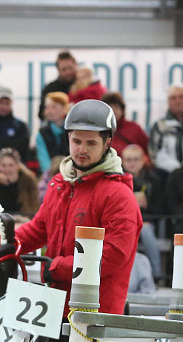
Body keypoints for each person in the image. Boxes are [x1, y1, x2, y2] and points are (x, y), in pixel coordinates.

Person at [15, 99, 141, 317]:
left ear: (107, 142)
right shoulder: (60, 184)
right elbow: (39, 229)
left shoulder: (119, 195)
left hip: (97, 316)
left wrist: (58, 267)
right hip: (56, 309)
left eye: (91, 143)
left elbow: (112, 256)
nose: (82, 149)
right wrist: (3, 242)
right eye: (76, 141)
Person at [121, 144, 164, 278]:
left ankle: (156, 274)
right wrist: (130, 202)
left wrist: (147, 204)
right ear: (122, 161)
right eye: (128, 160)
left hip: (147, 220)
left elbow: (162, 207)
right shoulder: (117, 178)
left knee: (145, 229)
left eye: (136, 159)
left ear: (144, 159)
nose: (132, 163)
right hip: (123, 221)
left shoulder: (154, 179)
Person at [0, 148, 39, 215]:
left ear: (18, 166)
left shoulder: (29, 180)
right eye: (3, 165)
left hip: (23, 217)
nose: (7, 169)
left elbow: (32, 207)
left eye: (11, 165)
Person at [102, 92, 149, 160]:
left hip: (132, 169)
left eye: (116, 107)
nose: (113, 111)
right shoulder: (98, 130)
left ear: (122, 110)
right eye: (109, 107)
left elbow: (146, 153)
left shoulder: (134, 129)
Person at [35, 92, 69, 175]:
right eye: (47, 107)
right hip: (50, 176)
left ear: (65, 109)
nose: (49, 111)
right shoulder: (42, 133)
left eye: (54, 107)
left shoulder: (72, 130)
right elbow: (43, 160)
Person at [38, 51, 77, 121]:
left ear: (76, 66)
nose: (68, 72)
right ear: (58, 70)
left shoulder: (87, 87)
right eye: (64, 69)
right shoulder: (50, 89)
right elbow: (41, 113)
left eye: (70, 68)